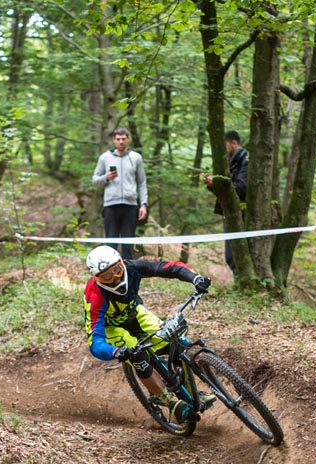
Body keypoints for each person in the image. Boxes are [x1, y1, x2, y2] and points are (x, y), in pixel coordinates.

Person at [84, 245, 213, 422]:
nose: (115, 278)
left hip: (134, 313)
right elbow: (95, 341)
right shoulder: (95, 295)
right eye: (106, 276)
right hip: (111, 329)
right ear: (97, 278)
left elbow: (168, 268)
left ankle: (193, 394)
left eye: (117, 270)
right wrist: (115, 351)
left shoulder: (132, 268)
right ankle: (167, 400)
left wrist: (195, 278)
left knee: (174, 342)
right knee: (138, 355)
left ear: (122, 263)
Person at [92, 128, 149, 260]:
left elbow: (142, 183)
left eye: (123, 139)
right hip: (110, 205)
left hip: (130, 205)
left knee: (128, 245)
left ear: (128, 139)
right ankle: (110, 270)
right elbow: (95, 180)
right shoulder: (105, 158)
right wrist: (106, 177)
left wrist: (143, 204)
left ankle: (128, 271)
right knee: (111, 244)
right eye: (118, 139)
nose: (121, 142)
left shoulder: (136, 158)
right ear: (114, 140)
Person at [200, 130, 249, 275]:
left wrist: (216, 183)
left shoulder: (245, 161)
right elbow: (226, 191)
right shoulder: (229, 161)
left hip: (241, 213)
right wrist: (212, 185)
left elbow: (241, 188)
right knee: (230, 256)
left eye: (225, 144)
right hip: (229, 211)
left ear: (234, 143)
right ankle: (240, 281)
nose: (223, 149)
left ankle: (242, 281)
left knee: (236, 255)